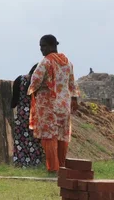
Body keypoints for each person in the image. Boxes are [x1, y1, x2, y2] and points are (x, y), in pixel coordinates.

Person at [28, 35, 80, 173]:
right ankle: (62, 166)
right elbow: (72, 83)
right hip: (64, 106)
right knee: (62, 137)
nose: (41, 49)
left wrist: (32, 90)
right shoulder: (68, 62)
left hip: (48, 106)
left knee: (48, 137)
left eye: (43, 46)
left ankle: (53, 168)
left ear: (52, 46)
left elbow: (35, 80)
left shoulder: (46, 62)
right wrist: (74, 99)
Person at [11, 64, 44, 168]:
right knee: (35, 142)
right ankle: (35, 163)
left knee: (21, 141)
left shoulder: (19, 80)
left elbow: (13, 102)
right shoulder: (40, 84)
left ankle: (21, 163)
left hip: (21, 117)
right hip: (36, 117)